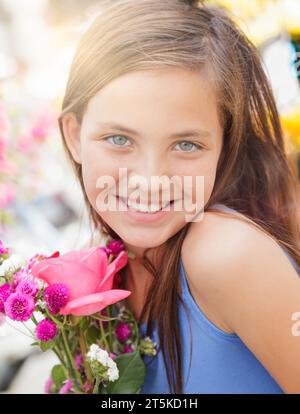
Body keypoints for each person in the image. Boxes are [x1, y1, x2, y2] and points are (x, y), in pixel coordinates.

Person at [58, 0, 300, 393]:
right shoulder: (104, 274)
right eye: (119, 139)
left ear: (225, 145)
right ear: (74, 136)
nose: (151, 181)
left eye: (186, 145)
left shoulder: (224, 252)